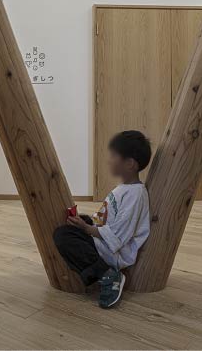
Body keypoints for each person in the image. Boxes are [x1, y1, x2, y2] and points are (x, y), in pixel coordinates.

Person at [53, 130, 151, 309]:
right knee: (71, 226)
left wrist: (87, 229)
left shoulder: (135, 196)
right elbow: (106, 217)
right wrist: (85, 222)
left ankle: (108, 275)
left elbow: (118, 237)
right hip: (102, 238)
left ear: (129, 164)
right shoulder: (124, 188)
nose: (109, 160)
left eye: (114, 156)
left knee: (63, 237)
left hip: (112, 253)